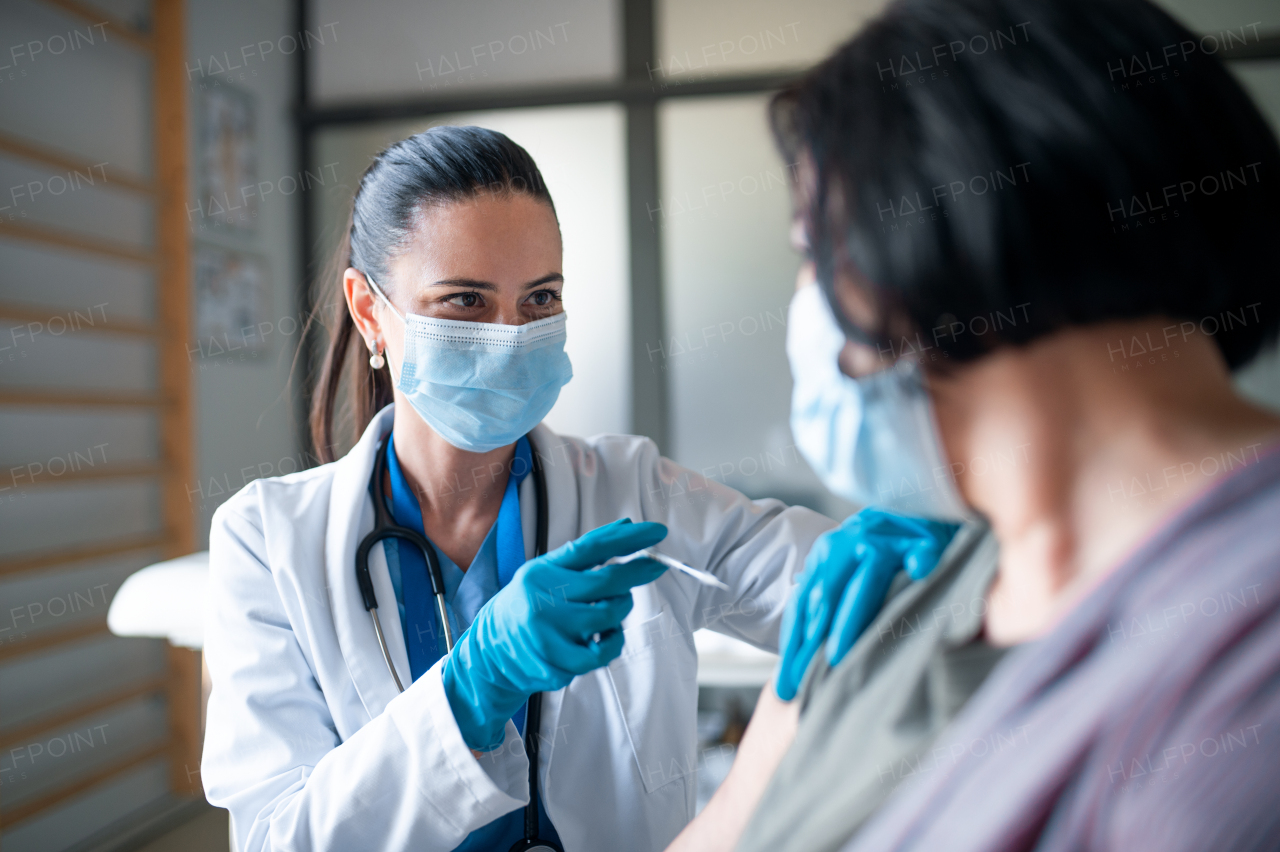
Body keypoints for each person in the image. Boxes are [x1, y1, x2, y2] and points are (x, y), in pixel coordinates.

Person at [675, 0, 1280, 850]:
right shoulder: (923, 583)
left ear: (945, 236)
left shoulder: (1240, 663)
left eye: (815, 250)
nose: (808, 299)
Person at [199, 125, 850, 852]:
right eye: (465, 302)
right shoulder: (266, 541)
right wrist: (471, 690)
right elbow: (277, 840)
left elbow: (830, 585)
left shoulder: (634, 491)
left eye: (540, 298)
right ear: (368, 310)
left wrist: (920, 543)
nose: (511, 334)